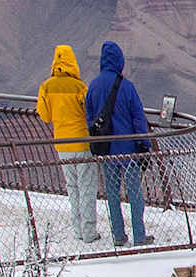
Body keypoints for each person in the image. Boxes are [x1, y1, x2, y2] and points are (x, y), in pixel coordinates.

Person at [84, 40, 152, 247]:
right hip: (129, 150)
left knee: (112, 194)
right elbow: (138, 119)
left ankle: (118, 236)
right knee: (134, 194)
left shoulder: (93, 86)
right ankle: (139, 236)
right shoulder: (127, 87)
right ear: (120, 61)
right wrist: (144, 145)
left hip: (106, 151)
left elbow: (89, 117)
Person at [34, 45, 101, 243]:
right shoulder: (80, 87)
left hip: (62, 144)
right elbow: (89, 113)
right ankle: (89, 232)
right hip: (81, 143)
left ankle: (78, 230)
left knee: (72, 187)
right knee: (87, 187)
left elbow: (45, 116)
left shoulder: (46, 86)